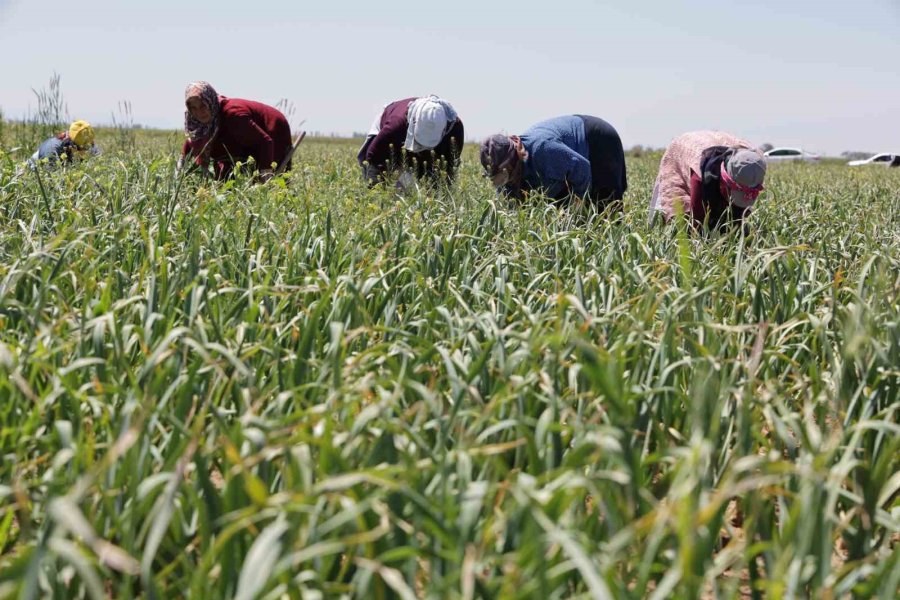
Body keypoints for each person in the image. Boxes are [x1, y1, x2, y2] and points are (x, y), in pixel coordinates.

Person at [480, 115, 627, 211]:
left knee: (605, 206)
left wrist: (576, 211)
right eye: (498, 180)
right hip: (565, 160)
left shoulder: (542, 150)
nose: (504, 183)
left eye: (505, 175)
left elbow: (582, 169)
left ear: (514, 160)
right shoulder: (505, 175)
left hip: (596, 138)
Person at [649, 131, 766, 230]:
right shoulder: (700, 176)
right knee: (679, 213)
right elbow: (697, 221)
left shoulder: (753, 166)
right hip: (683, 151)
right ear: (725, 182)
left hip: (717, 144)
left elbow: (740, 211)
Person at [180, 81, 292, 181]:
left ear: (210, 101)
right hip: (240, 136)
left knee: (265, 178)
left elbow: (265, 142)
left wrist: (265, 177)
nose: (199, 112)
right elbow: (193, 142)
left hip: (272, 129)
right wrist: (179, 169)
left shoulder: (234, 115)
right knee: (224, 178)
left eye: (203, 105)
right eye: (194, 108)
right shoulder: (196, 122)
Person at [357, 95, 464, 187]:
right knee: (377, 179)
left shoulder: (455, 130)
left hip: (428, 158)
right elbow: (374, 158)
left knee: (432, 183)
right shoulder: (395, 125)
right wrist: (391, 185)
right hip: (392, 140)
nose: (421, 150)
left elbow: (449, 171)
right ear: (413, 124)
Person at [31, 120, 100, 164]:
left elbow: (98, 159)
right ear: (72, 144)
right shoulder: (53, 149)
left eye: (89, 146)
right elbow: (51, 179)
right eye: (83, 148)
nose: (86, 151)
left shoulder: (88, 144)